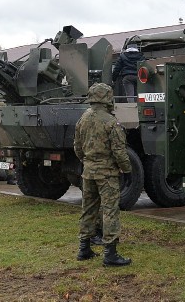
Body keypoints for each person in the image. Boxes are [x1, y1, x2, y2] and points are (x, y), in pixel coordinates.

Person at [74, 83, 132, 267]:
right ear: (108, 98)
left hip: (88, 171)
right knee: (109, 211)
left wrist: (87, 160)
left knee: (88, 209)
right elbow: (119, 151)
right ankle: (110, 253)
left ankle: (84, 248)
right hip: (106, 174)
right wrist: (127, 169)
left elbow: (77, 147)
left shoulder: (83, 118)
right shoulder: (110, 122)